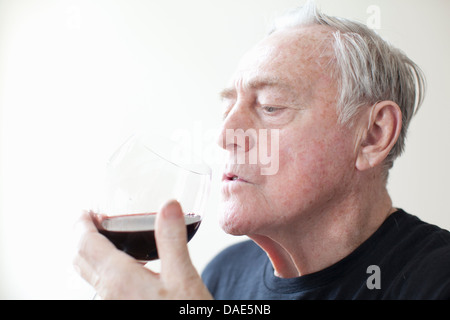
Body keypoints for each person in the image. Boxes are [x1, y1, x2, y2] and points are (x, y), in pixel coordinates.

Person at [73, 2, 450, 299]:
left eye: (270, 106)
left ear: (372, 135)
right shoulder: (224, 275)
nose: (224, 135)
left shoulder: (436, 281)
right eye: (226, 110)